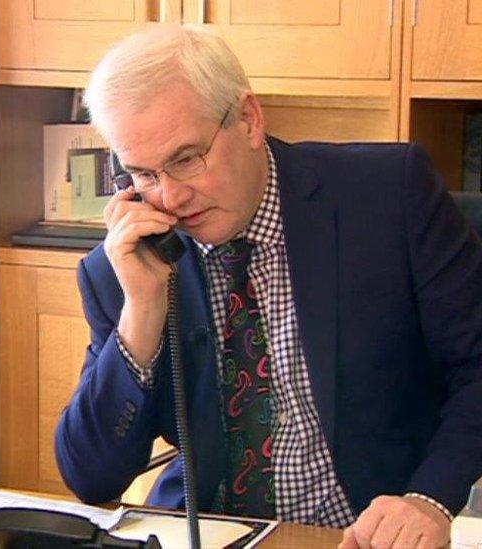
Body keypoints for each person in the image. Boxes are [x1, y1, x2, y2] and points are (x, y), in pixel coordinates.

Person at [54, 24, 482, 549]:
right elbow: (90, 478)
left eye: (187, 158)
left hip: (366, 532)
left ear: (249, 119)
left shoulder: (389, 195)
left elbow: (477, 365)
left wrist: (429, 499)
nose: (170, 196)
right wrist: (141, 312)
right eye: (143, 174)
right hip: (210, 533)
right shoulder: (121, 267)